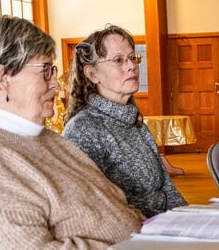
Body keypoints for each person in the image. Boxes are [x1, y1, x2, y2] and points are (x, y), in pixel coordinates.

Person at [0, 15, 143, 248]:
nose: (55, 83)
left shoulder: (47, 138)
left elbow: (114, 203)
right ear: (2, 77)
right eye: (45, 71)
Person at [62, 25, 187, 218]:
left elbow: (167, 189)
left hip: (165, 227)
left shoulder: (134, 122)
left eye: (132, 58)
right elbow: (95, 208)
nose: (132, 66)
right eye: (118, 60)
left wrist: (188, 218)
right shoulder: (83, 128)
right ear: (92, 74)